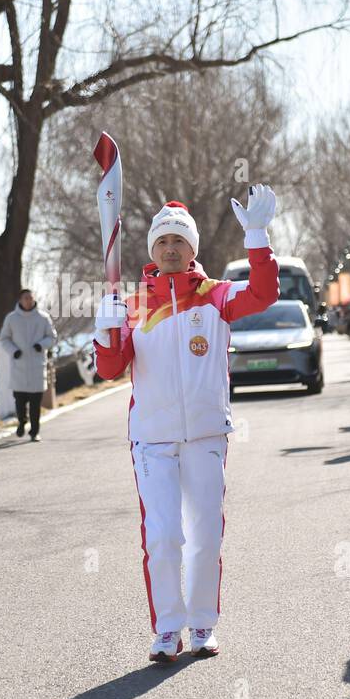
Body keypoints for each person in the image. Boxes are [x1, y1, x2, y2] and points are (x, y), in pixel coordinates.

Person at [93, 187, 279, 663]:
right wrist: (105, 333)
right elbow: (112, 369)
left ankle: (201, 624)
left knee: (205, 535)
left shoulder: (215, 295)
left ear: (192, 250)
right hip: (152, 439)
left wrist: (256, 237)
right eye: (162, 242)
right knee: (162, 535)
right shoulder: (132, 305)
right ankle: (166, 629)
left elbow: (263, 293)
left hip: (205, 434)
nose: (170, 249)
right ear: (152, 251)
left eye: (179, 241)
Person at [0, 288, 56, 442]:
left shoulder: (43, 318)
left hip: (37, 366)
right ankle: (22, 422)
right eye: (25, 298)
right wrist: (13, 350)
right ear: (20, 300)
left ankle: (34, 432)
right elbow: (4, 338)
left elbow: (52, 337)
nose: (28, 301)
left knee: (36, 404)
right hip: (19, 367)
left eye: (30, 298)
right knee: (20, 402)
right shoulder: (11, 319)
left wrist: (41, 345)